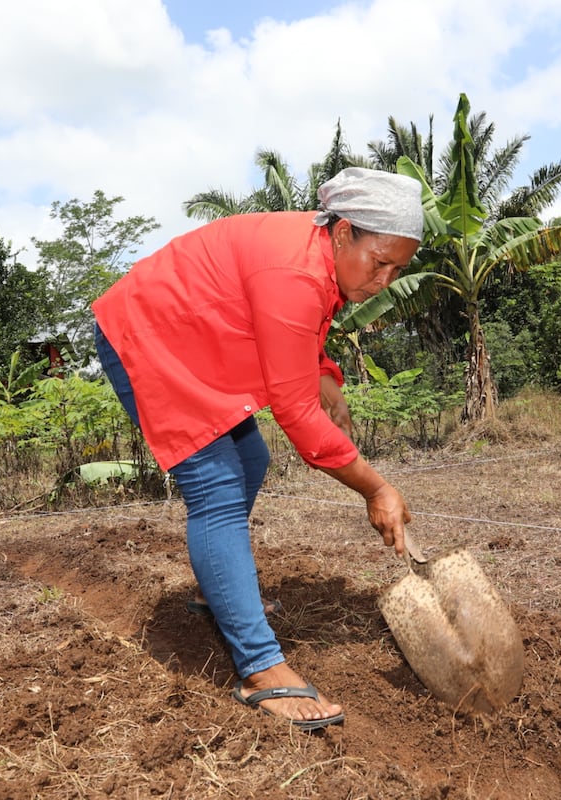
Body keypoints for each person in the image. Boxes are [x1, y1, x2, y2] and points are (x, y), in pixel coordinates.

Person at [91, 167, 422, 730]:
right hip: (147, 337)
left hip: (192, 337)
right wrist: (376, 487)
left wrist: (326, 377)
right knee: (216, 486)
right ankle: (260, 669)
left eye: (399, 268)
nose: (385, 280)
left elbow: (302, 332)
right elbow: (294, 412)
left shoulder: (320, 258)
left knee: (251, 458)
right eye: (380, 262)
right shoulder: (293, 269)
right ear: (343, 233)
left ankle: (217, 587)